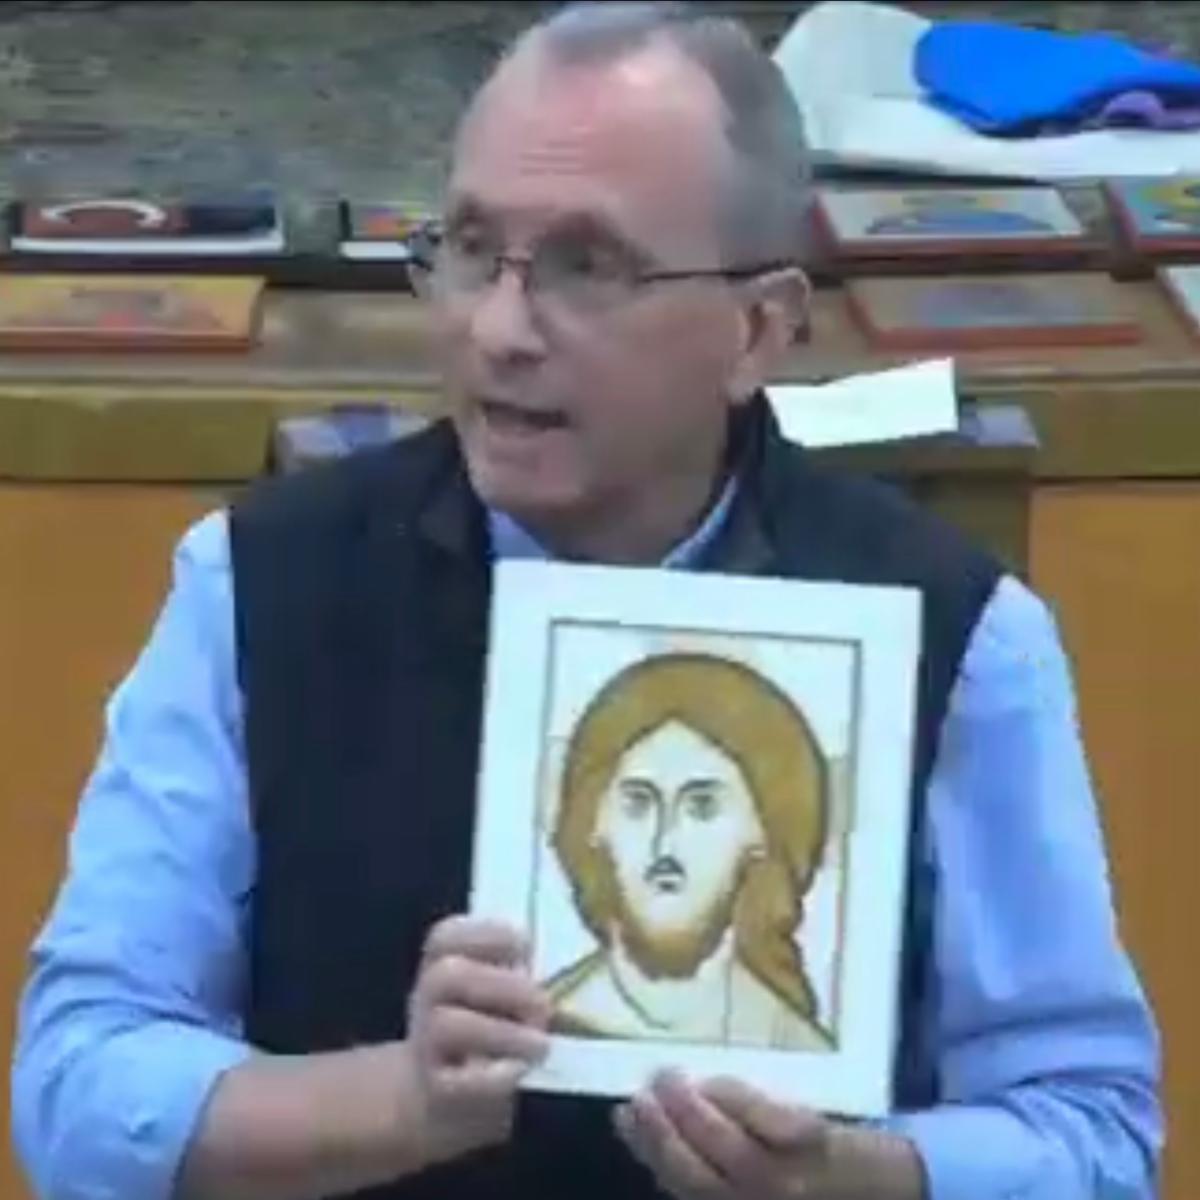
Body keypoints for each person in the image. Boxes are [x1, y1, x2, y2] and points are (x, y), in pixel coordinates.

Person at [12, 3, 1162, 1200]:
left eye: (587, 266)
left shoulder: (959, 635)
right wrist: (399, 1103)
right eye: (471, 249)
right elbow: (76, 1089)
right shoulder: (252, 585)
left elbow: (1093, 1136)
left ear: (757, 330)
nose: (501, 330)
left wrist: (860, 1180)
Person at [543, 652, 832, 1050]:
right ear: (593, 823)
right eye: (638, 803)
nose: (665, 844)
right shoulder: (533, 1026)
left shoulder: (800, 1051)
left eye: (702, 807)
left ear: (762, 832)